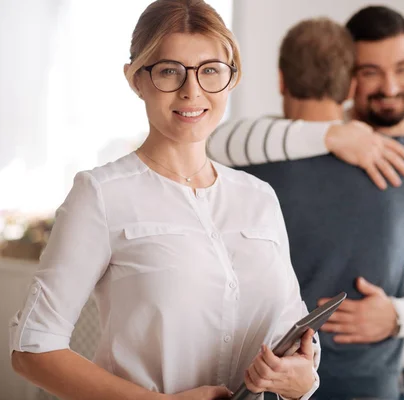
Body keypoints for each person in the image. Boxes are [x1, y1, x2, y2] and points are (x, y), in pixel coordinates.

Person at [8, 1, 319, 400]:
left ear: (231, 77)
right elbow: (31, 348)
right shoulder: (101, 194)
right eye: (169, 71)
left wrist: (303, 378)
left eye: (210, 71)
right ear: (136, 79)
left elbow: (294, 333)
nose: (192, 91)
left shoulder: (259, 198)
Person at [207, 17, 404, 400]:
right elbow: (216, 141)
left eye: (402, 69)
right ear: (351, 80)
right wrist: (330, 134)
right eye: (372, 71)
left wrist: (399, 315)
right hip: (326, 378)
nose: (389, 87)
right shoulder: (276, 141)